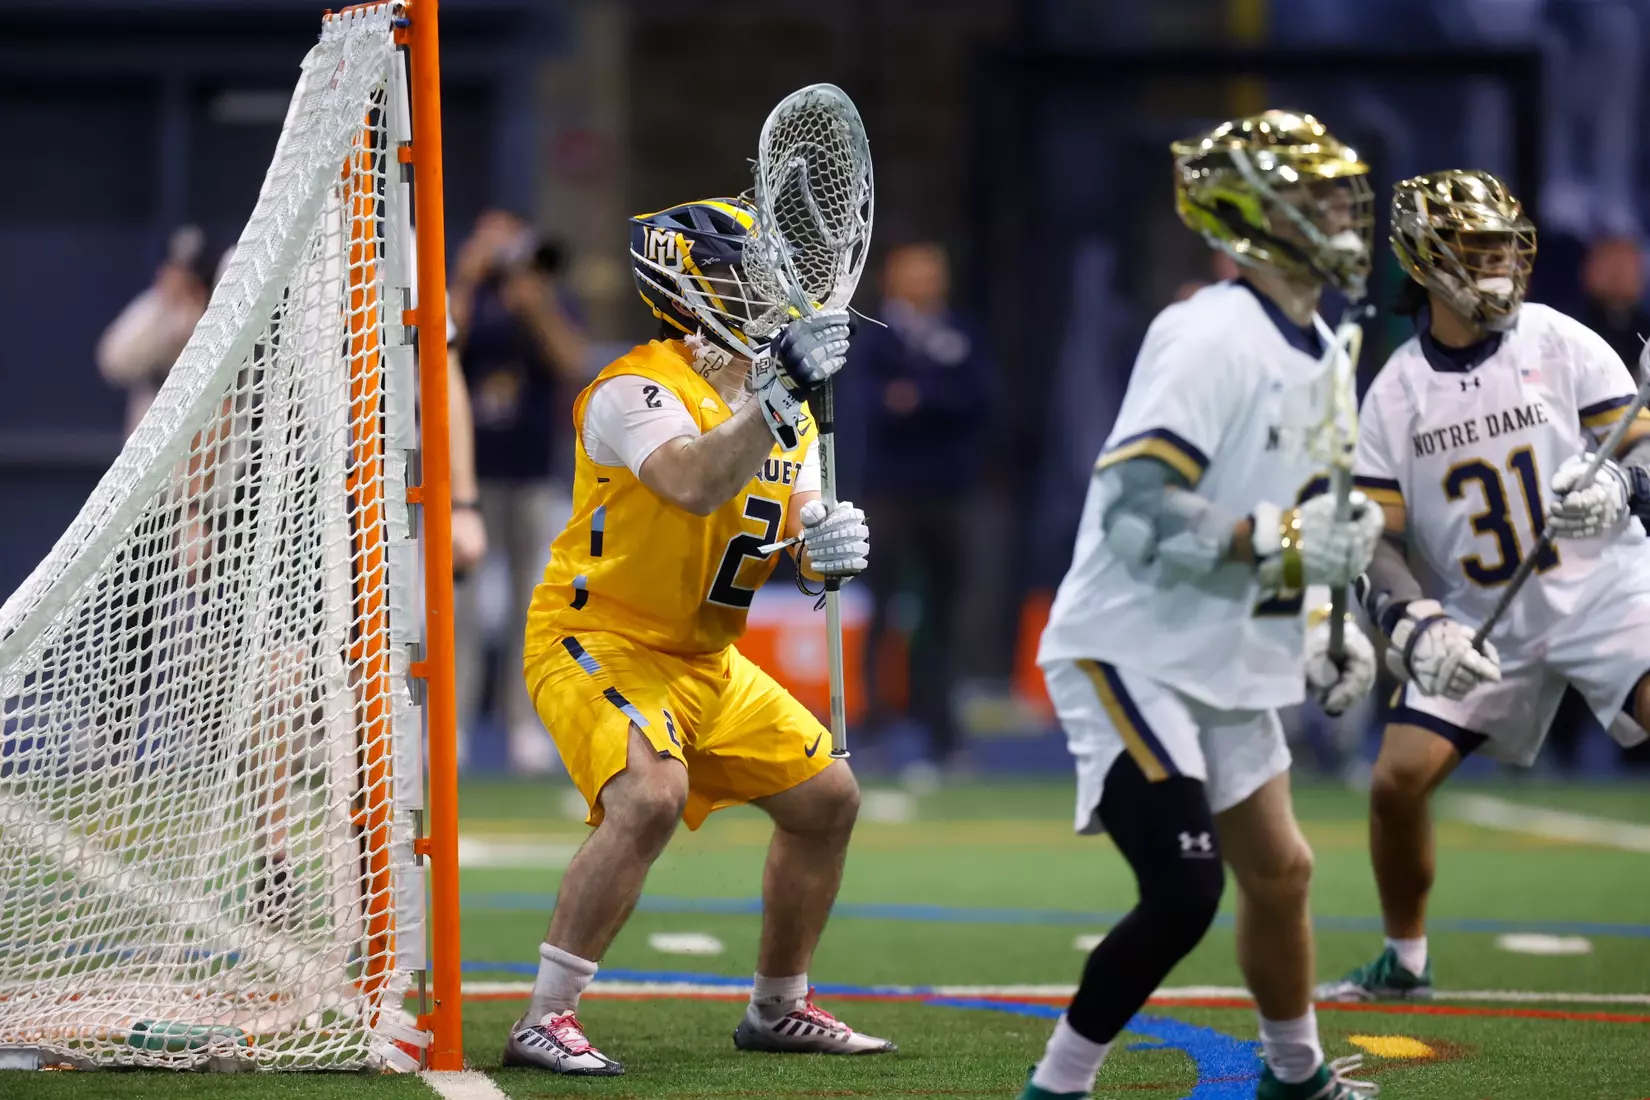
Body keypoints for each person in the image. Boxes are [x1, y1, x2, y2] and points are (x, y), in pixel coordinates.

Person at [1023, 111, 1386, 1100]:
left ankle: (1296, 1073)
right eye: (1317, 195)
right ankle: (1056, 1086)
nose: (1345, 210)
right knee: (1185, 891)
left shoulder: (1324, 342)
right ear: (1251, 213)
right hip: (1130, 643)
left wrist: (1323, 624)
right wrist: (1275, 545)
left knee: (1282, 870)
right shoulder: (1206, 331)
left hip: (1222, 645)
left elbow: (1315, 518)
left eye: (1343, 191)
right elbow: (1141, 504)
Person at [502, 197, 891, 1075]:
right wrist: (778, 398)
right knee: (649, 794)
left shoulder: (778, 403)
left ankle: (779, 1005)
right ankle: (545, 1017)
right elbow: (692, 482)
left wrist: (826, 548)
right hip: (597, 634)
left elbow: (793, 532)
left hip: (706, 658)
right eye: (733, 278)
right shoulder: (633, 388)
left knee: (828, 800)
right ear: (680, 283)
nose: (757, 297)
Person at [1320, 169, 1650, 1002]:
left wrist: (1625, 486)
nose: (1500, 268)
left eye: (1506, 249)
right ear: (1426, 261)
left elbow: (1643, 447)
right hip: (1485, 617)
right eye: (1478, 251)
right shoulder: (1395, 393)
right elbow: (1375, 543)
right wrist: (1415, 623)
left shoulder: (1559, 339)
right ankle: (1405, 960)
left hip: (1610, 587)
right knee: (1395, 782)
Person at [851, 240, 996, 771]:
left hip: (948, 493)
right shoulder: (873, 336)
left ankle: (943, 731)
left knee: (943, 612)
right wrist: (935, 397)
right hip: (888, 492)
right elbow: (873, 405)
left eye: (934, 272)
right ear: (893, 277)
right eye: (915, 272)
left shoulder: (962, 333)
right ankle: (870, 726)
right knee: (881, 610)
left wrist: (920, 397)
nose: (926, 282)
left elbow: (980, 398)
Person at [449, 210, 588, 771]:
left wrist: (535, 307)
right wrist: (465, 275)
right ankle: (452, 725)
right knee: (458, 607)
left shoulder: (544, 297)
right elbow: (436, 345)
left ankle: (521, 724)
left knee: (530, 608)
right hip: (472, 478)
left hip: (532, 472)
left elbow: (574, 359)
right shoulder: (472, 297)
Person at [97, 225, 214, 438]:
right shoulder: (153, 307)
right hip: (150, 426)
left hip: (208, 429)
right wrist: (163, 321)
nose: (181, 281)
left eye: (190, 276)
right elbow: (112, 361)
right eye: (176, 272)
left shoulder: (220, 313)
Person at [1578, 234, 1650, 377]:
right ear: (1589, 271)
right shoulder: (1571, 327)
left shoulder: (1646, 331)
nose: (1618, 274)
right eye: (1610, 263)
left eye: (1627, 266)